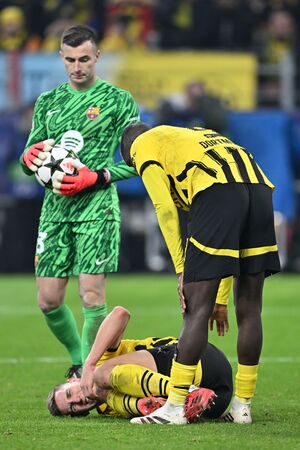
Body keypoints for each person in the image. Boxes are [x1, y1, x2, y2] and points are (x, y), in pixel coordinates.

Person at [120, 123, 281, 425]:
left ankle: (175, 406)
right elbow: (228, 244)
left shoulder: (142, 146)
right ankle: (242, 406)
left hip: (216, 189)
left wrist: (182, 270)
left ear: (130, 153)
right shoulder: (190, 134)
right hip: (259, 188)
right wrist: (221, 298)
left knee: (195, 306)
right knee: (249, 307)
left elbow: (164, 208)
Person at [19, 25, 139, 379]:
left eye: (84, 58)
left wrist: (96, 176)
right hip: (54, 210)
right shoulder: (48, 102)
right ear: (61, 58)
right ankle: (76, 357)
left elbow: (136, 161)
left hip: (97, 207)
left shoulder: (119, 101)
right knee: (48, 300)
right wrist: (28, 158)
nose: (77, 66)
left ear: (97, 57)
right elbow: (33, 153)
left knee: (91, 294)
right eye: (70, 59)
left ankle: (87, 373)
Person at [47, 306, 233, 421]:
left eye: (70, 393)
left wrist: (89, 364)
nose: (78, 400)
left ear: (72, 380)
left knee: (100, 375)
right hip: (216, 401)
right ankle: (182, 398)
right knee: (111, 395)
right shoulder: (108, 409)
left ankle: (184, 392)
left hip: (199, 359)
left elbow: (121, 313)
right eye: (73, 408)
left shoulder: (99, 360)